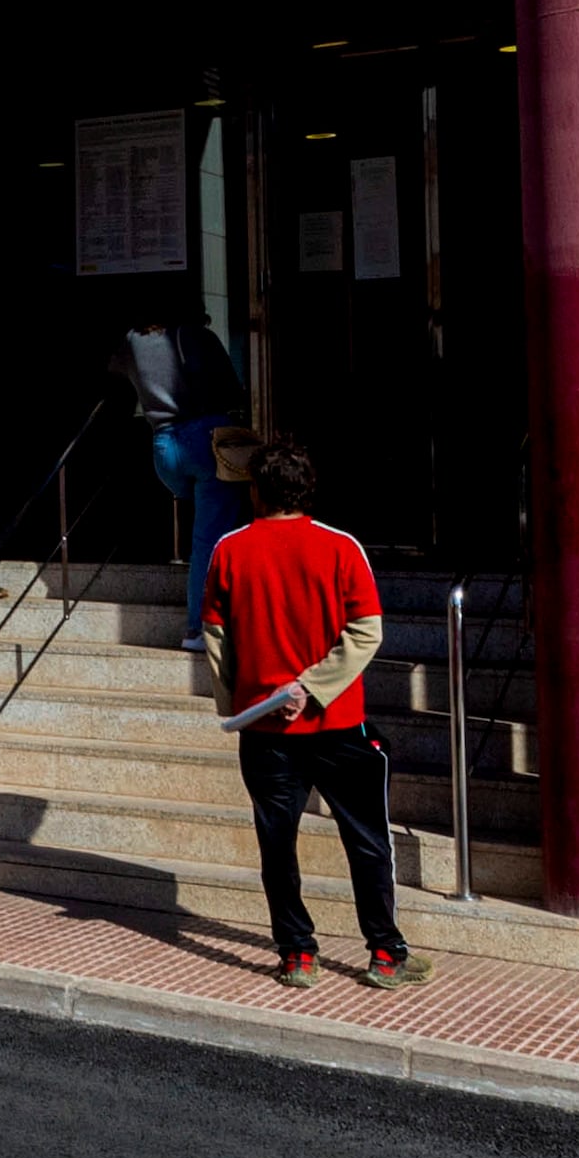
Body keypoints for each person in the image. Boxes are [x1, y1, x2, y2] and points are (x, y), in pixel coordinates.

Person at [201, 434, 420, 989]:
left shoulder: (229, 549)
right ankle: (385, 953)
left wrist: (238, 707)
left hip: (266, 728)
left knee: (277, 843)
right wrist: (316, 686)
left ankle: (297, 952)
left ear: (256, 491)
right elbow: (366, 630)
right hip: (340, 722)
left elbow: (216, 633)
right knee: (368, 839)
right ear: (308, 489)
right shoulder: (342, 546)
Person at [112, 309, 252, 622]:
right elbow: (231, 388)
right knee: (209, 538)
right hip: (206, 440)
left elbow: (115, 372)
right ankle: (199, 626)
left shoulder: (131, 340)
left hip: (162, 443)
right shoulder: (198, 336)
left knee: (198, 523)